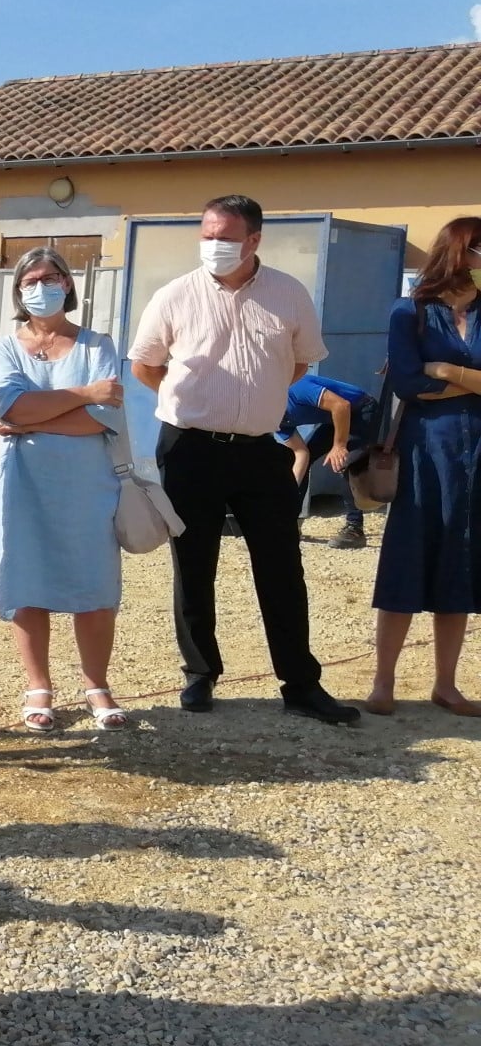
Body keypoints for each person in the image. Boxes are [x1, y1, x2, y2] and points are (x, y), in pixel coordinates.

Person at [127, 194, 358, 724]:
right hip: (189, 447)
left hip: (260, 449)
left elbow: (298, 363)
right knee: (193, 562)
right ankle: (200, 673)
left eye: (226, 238)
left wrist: (254, 398)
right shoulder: (174, 295)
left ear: (254, 239)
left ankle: (300, 684)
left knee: (281, 565)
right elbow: (145, 365)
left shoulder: (288, 293)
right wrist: (194, 399)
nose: (214, 246)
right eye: (207, 236)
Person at [0, 248, 128, 732]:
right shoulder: (3, 349)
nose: (41, 287)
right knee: (27, 577)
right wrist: (82, 395)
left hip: (87, 484)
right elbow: (11, 406)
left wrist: (29, 420)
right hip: (24, 484)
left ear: (67, 284)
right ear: (18, 290)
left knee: (94, 582)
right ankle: (38, 685)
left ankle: (96, 684)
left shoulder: (97, 345)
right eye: (30, 280)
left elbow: (102, 418)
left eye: (51, 277)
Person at [365, 217, 481, 716]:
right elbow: (409, 382)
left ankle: (446, 685)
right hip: (423, 450)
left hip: (476, 451)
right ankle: (383, 682)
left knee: (462, 557)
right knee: (407, 556)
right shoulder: (409, 309)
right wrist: (472, 381)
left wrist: (448, 370)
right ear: (459, 252)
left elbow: (430, 376)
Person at [277, 372, 376, 548]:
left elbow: (341, 405)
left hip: (360, 409)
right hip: (335, 418)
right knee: (304, 456)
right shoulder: (274, 421)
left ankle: (354, 529)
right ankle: (292, 523)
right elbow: (301, 454)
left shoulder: (295, 388)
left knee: (345, 462)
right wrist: (289, 491)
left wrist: (339, 445)